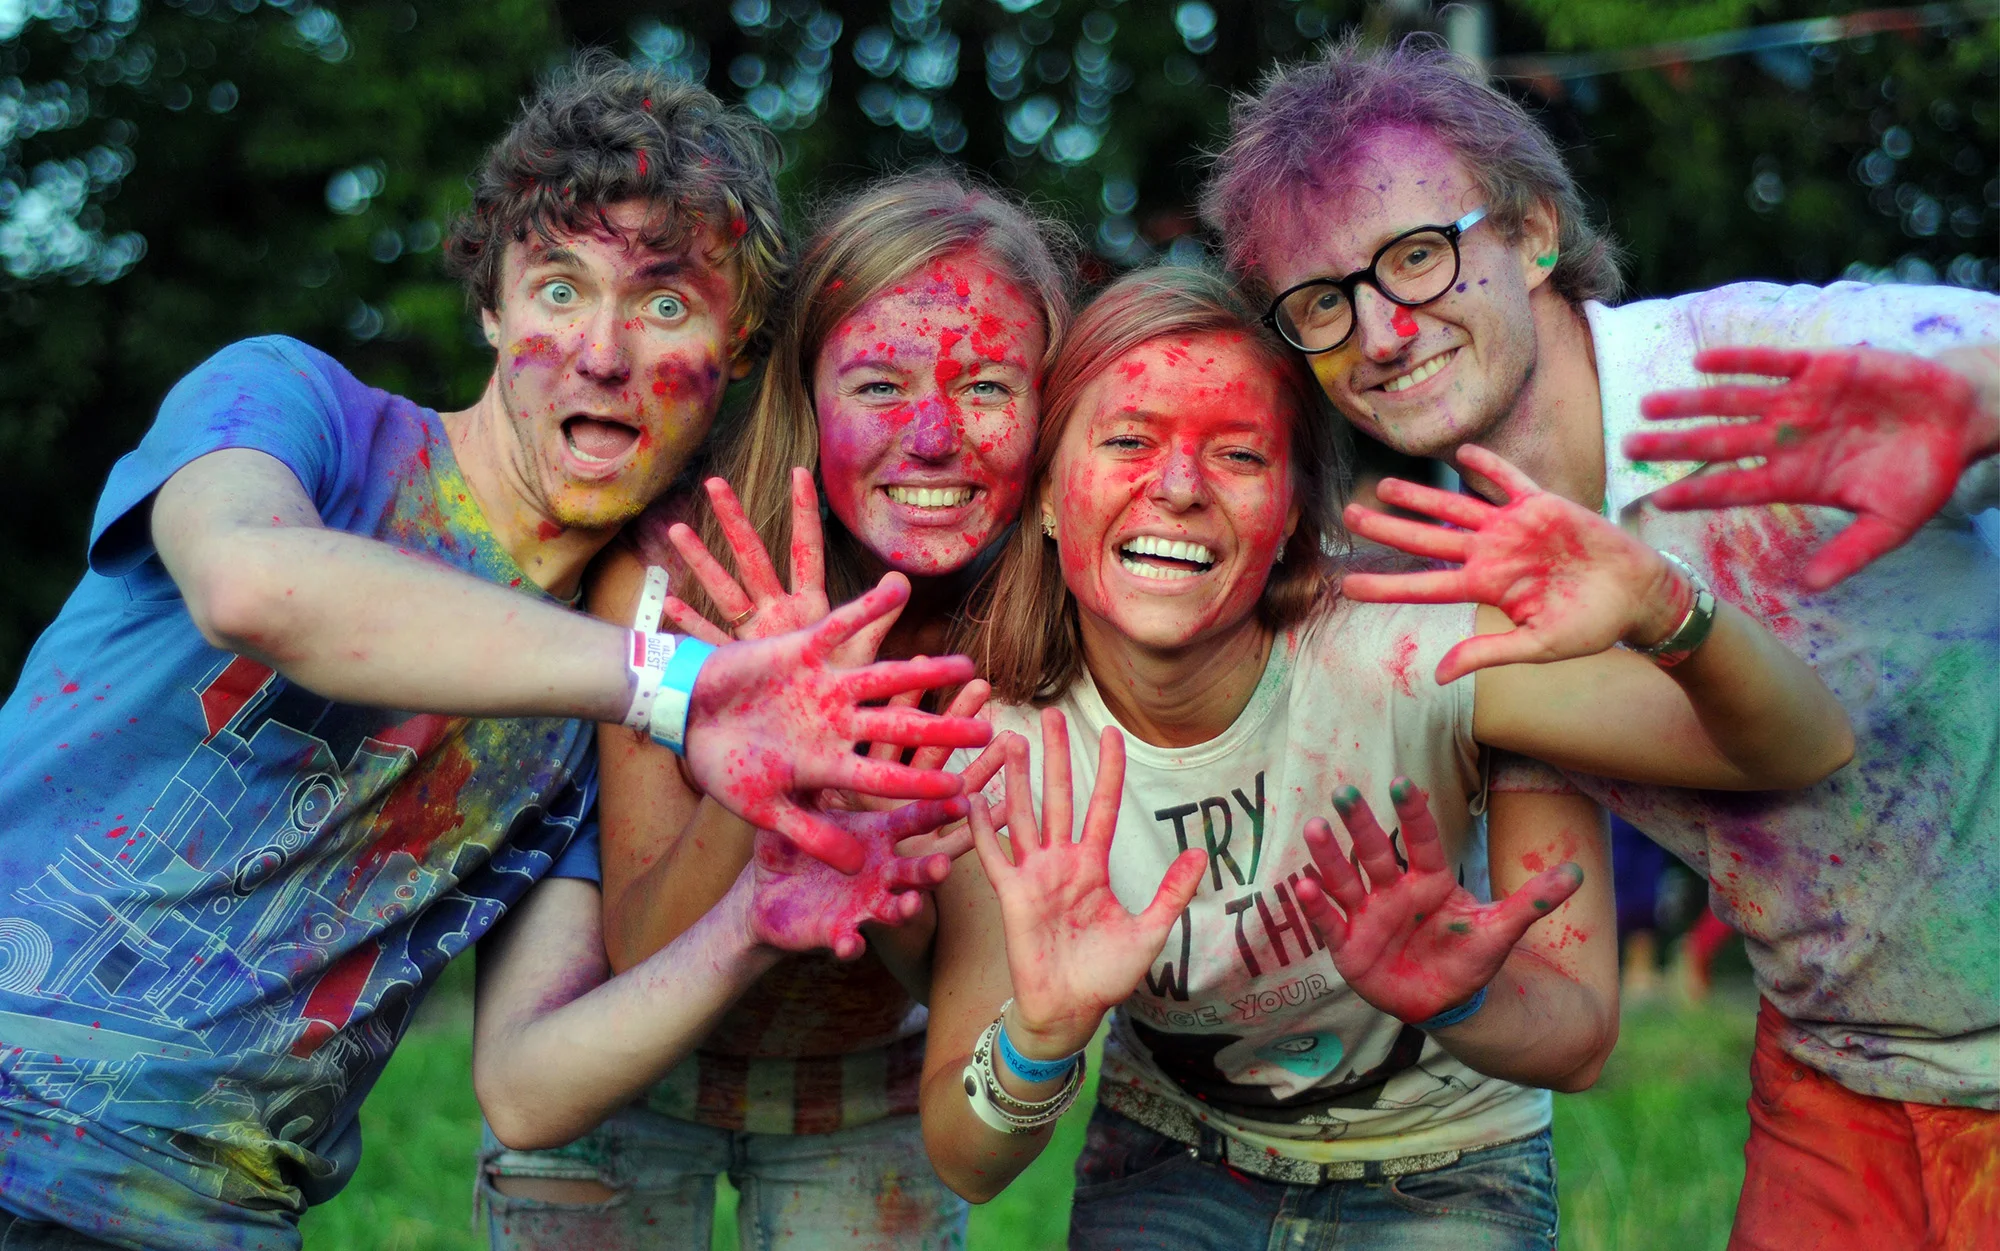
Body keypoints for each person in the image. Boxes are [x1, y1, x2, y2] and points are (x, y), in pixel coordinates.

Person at [0, 57, 990, 1251]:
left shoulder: (593, 718)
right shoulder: (296, 410)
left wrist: (751, 919)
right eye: (559, 288)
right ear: (491, 308)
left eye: (665, 306)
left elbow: (526, 1088)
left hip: (207, 1222)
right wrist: (674, 688)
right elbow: (247, 584)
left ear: (737, 348)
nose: (603, 353)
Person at [1203, 34, 2000, 1251]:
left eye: (1414, 256)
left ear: (1531, 234)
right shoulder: (1461, 590)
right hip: (1838, 1082)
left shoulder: (1757, 369)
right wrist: (1452, 993)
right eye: (1322, 302)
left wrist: (1984, 398)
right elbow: (1570, 1015)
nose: (1379, 332)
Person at [917, 267, 1852, 1251]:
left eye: (1238, 454)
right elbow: (965, 1161)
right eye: (1127, 441)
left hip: (1445, 1166)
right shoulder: (1001, 742)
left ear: (1292, 512)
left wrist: (1662, 603)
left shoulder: (1413, 652)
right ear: (1048, 495)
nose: (1180, 487)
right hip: (1175, 1155)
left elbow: (1806, 744)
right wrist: (1040, 1038)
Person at [474, 173, 1071, 1251]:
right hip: (622, 1082)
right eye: (878, 384)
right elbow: (642, 941)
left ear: (1047, 405)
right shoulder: (674, 577)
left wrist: (878, 868)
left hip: (870, 1093)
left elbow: (959, 993)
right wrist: (765, 782)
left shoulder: (1035, 626)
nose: (932, 435)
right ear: (803, 392)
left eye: (986, 385)